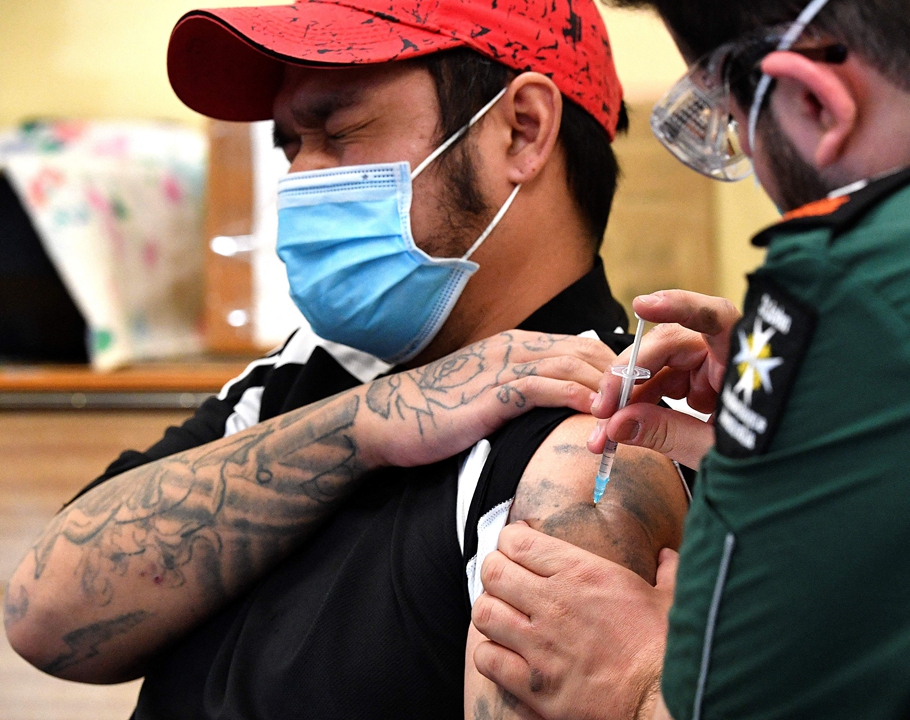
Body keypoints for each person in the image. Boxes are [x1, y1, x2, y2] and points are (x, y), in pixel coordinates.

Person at [470, 1, 910, 719]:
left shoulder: (868, 284)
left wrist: (633, 682)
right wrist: (822, 442)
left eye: (729, 127)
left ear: (817, 102)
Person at [2, 1, 691, 718]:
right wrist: (365, 425)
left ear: (523, 130)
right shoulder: (313, 370)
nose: (300, 177)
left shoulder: (597, 439)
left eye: (338, 131)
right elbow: (43, 616)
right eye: (290, 145)